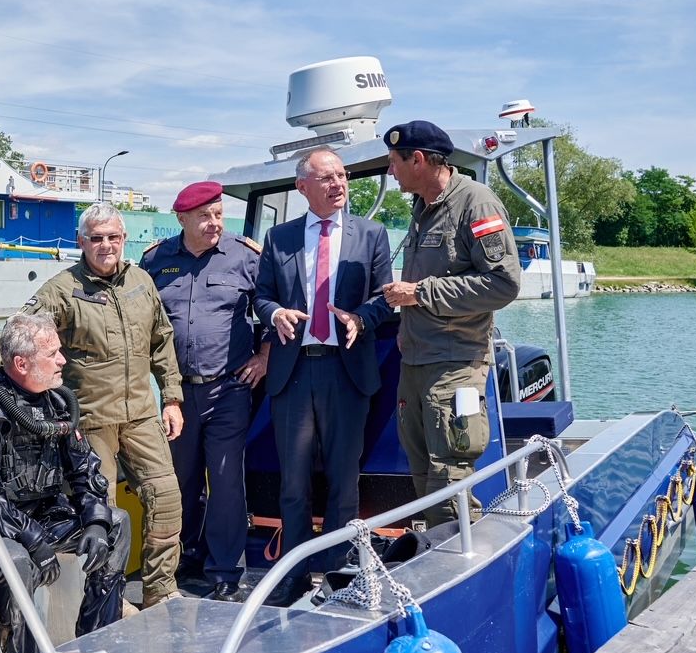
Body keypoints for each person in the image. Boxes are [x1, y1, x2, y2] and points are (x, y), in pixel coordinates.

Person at [0, 202, 184, 608]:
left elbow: (162, 343)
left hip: (142, 416)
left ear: (124, 239)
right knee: (103, 513)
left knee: (165, 498)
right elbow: (19, 329)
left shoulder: (142, 283)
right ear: (81, 242)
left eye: (113, 237)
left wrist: (172, 398)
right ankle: (110, 602)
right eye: (96, 238)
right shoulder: (63, 289)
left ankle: (160, 590)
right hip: (92, 420)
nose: (106, 245)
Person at [0, 313, 131, 653]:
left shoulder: (56, 401)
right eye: (53, 354)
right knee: (17, 561)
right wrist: (34, 540)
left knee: (116, 523)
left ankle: (99, 638)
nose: (63, 360)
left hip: (41, 516)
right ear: (21, 362)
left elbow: (85, 468)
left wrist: (95, 520)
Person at [254, 148, 393, 607]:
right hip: (293, 372)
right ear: (302, 188)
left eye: (342, 176)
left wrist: (360, 319)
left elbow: (383, 297)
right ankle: (293, 576)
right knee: (293, 484)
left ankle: (339, 576)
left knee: (342, 480)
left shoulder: (371, 235)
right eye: (327, 178)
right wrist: (275, 314)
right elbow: (262, 297)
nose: (338, 184)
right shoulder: (280, 238)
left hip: (345, 370)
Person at [383, 121, 520, 526]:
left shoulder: (476, 204)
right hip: (417, 361)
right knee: (423, 470)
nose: (391, 172)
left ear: (419, 160)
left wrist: (420, 293)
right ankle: (438, 552)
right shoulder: (422, 208)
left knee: (451, 470)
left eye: (395, 162)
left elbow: (503, 283)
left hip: (456, 362)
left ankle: (460, 557)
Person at [139, 181, 268, 602]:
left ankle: (226, 572)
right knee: (180, 480)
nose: (214, 223)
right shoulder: (155, 260)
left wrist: (263, 356)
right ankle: (184, 557)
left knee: (228, 481)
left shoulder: (245, 257)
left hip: (229, 387)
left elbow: (272, 307)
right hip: (175, 394)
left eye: (218, 215)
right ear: (182, 219)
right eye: (204, 217)